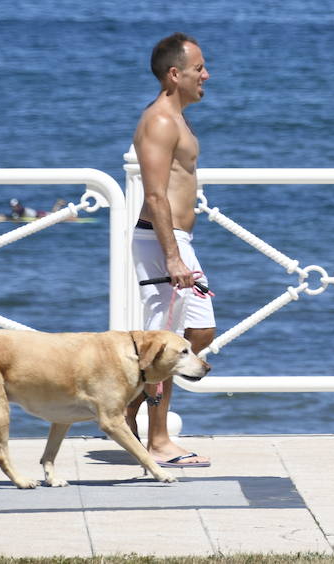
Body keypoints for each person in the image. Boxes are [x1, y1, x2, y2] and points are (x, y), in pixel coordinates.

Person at [124, 32, 217, 468]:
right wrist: (173, 256)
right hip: (163, 241)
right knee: (168, 345)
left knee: (198, 335)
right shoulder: (160, 121)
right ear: (174, 73)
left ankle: (127, 412)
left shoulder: (177, 117)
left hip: (177, 241)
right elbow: (157, 195)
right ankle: (157, 441)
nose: (206, 75)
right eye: (199, 68)